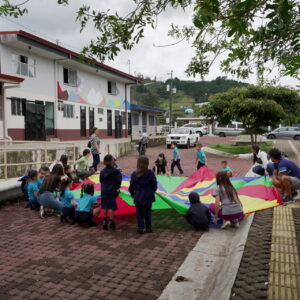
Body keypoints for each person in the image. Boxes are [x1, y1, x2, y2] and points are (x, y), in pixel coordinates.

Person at [129, 156, 157, 234]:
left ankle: (140, 228)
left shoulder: (134, 174)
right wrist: (153, 191)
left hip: (138, 195)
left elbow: (131, 186)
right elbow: (154, 184)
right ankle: (148, 228)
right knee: (148, 212)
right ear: (147, 163)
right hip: (148, 195)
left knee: (139, 213)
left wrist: (132, 193)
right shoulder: (150, 173)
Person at [100, 154, 122, 230]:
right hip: (111, 190)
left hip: (104, 191)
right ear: (112, 161)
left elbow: (101, 181)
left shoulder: (102, 171)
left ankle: (104, 221)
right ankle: (111, 221)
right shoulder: (116, 171)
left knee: (105, 206)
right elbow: (118, 182)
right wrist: (117, 188)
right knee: (111, 206)